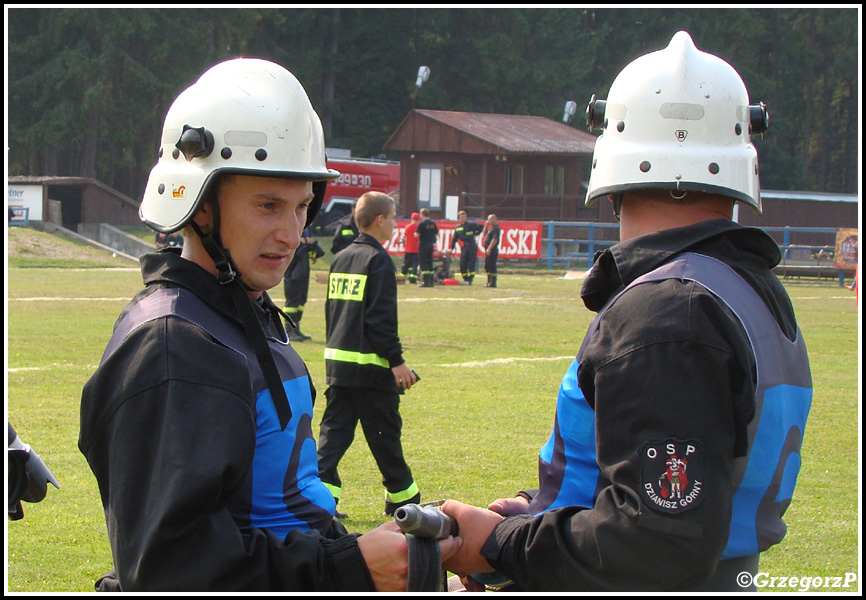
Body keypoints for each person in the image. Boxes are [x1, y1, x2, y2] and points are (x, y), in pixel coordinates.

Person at [442, 31, 812, 592]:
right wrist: (532, 510)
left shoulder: (670, 314)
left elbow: (657, 540)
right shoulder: (741, 288)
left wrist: (498, 543)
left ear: (609, 165)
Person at [78, 58, 458, 592]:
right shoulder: (176, 345)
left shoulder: (240, 314)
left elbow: (283, 509)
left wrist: (358, 554)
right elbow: (169, 568)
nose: (291, 232)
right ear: (200, 206)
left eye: (302, 206)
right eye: (268, 205)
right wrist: (347, 567)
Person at [318, 191, 422, 518]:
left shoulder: (342, 257)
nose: (395, 224)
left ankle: (318, 500)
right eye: (392, 217)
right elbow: (380, 320)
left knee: (331, 441)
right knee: (385, 436)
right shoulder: (378, 261)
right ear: (380, 220)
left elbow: (333, 313)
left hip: (339, 366)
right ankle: (405, 503)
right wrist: (397, 363)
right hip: (370, 370)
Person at [282, 227, 324, 342]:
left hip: (302, 265)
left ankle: (296, 329)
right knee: (292, 300)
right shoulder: (291, 220)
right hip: (292, 266)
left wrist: (312, 253)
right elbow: (286, 238)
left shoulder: (306, 225)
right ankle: (288, 331)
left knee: (301, 300)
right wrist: (303, 241)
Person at [449, 210, 484, 284]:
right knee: (463, 262)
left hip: (472, 245)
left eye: (465, 217)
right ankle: (465, 277)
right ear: (459, 218)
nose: (464, 218)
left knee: (472, 262)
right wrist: (451, 248)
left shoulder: (471, 225)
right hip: (465, 246)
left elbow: (481, 227)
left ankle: (471, 278)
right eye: (462, 217)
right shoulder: (458, 227)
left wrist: (476, 234)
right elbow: (454, 238)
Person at [415, 208, 439, 287]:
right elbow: (437, 233)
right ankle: (431, 281)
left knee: (424, 263)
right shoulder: (433, 223)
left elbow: (417, 235)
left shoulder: (421, 224)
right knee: (430, 262)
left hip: (423, 245)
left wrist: (415, 234)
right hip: (431, 245)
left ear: (422, 215)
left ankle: (425, 282)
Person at [480, 213, 500, 287]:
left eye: (489, 219)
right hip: (488, 250)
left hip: (492, 250)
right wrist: (486, 226)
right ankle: (489, 281)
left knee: (492, 266)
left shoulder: (496, 228)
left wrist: (489, 248)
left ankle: (493, 282)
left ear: (494, 219)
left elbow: (494, 239)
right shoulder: (491, 228)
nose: (488, 221)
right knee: (487, 266)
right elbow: (484, 234)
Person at [401, 212, 421, 284]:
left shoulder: (407, 227)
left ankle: (402, 277)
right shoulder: (419, 227)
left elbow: (404, 237)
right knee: (414, 265)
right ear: (418, 219)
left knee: (406, 263)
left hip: (408, 249)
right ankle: (412, 278)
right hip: (416, 249)